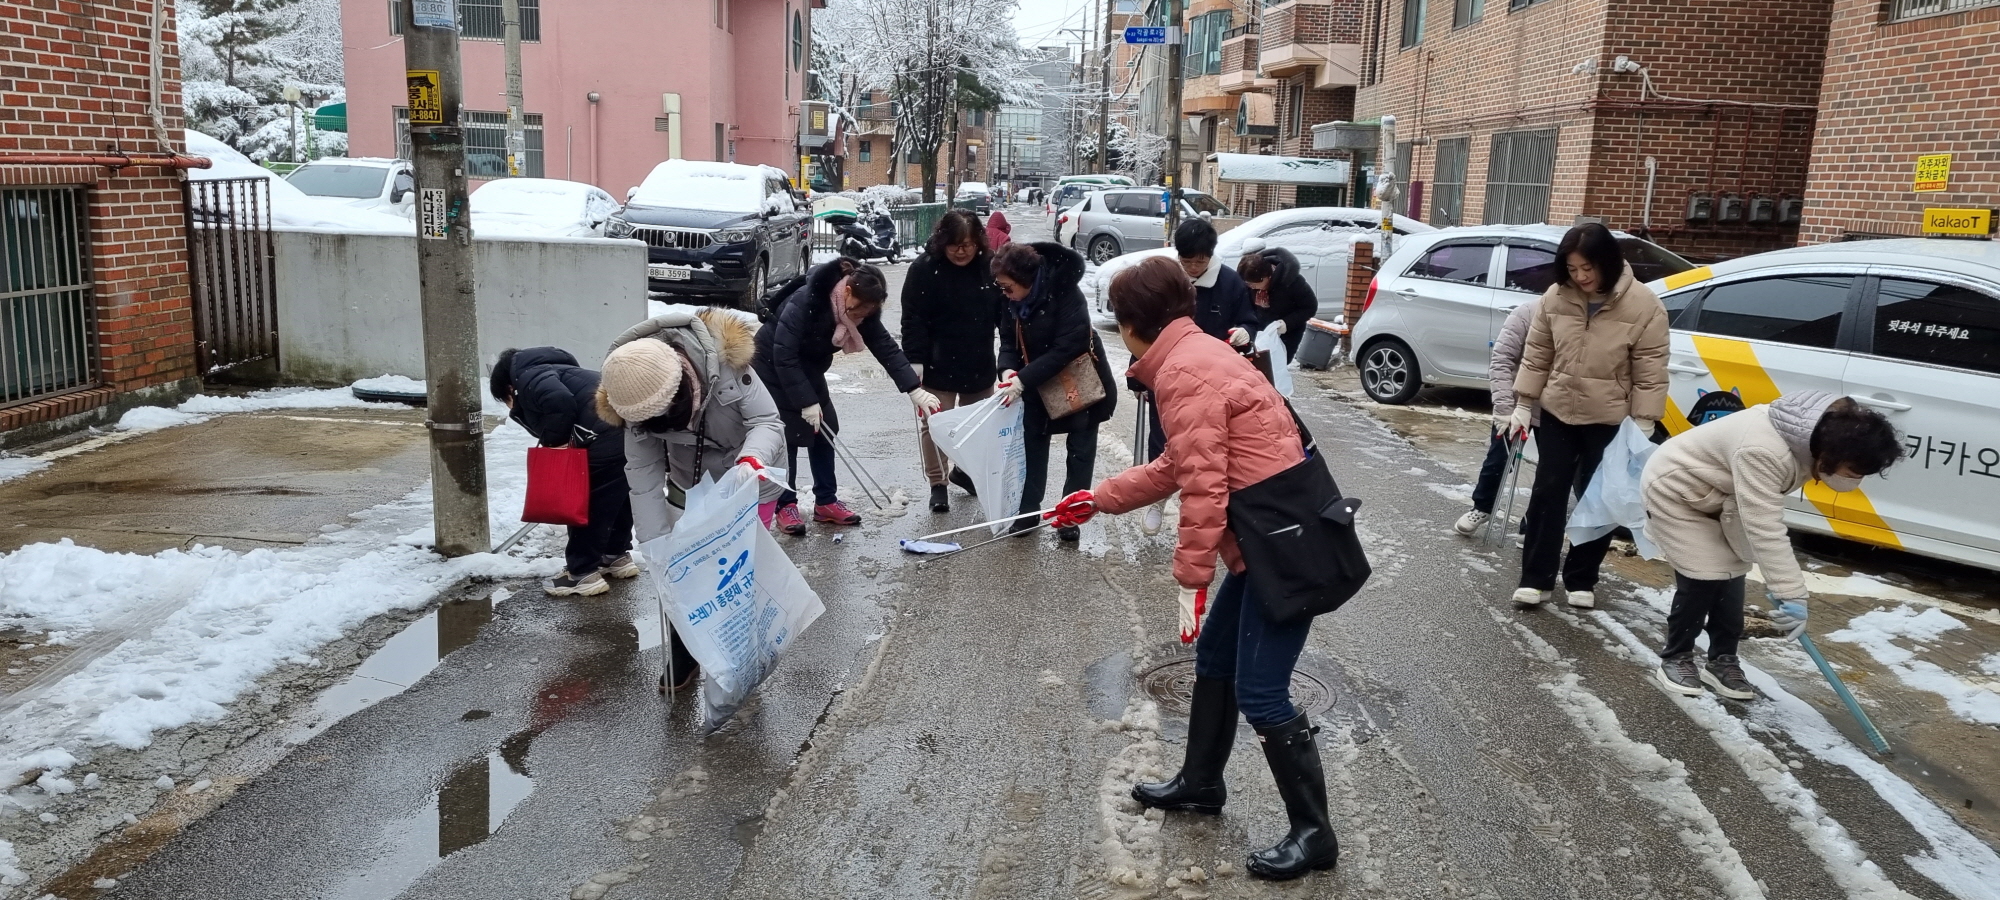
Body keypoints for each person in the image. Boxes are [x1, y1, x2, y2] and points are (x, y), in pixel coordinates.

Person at [1047, 255, 1337, 880]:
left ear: (1130, 324)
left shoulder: (1185, 374)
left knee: (1262, 691)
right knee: (1214, 661)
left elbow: (1204, 489)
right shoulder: (1199, 354)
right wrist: (1097, 500)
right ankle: (1203, 783)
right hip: (1272, 534)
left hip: (1279, 547)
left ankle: (1315, 833)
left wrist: (1190, 579)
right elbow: (1180, 466)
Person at [1644, 392, 1902, 699]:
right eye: (1854, 471)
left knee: (1733, 573)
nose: (1856, 479)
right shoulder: (1764, 449)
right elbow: (1765, 527)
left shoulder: (1817, 438)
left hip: (1725, 496)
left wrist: (1785, 590)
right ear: (1832, 454)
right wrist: (1791, 593)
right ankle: (1676, 657)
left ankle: (1722, 660)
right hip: (1677, 491)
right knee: (1702, 575)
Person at [595, 306, 787, 689]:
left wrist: (752, 458)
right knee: (680, 573)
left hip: (748, 478)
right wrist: (653, 543)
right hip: (690, 483)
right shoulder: (631, 394)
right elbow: (643, 474)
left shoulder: (726, 364)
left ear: (682, 385)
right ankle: (684, 657)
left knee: (739, 574)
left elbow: (767, 421)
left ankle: (743, 654)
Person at [1506, 224, 1669, 610]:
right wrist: (1524, 404)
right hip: (1559, 410)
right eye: (1573, 268)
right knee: (1548, 494)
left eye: (1588, 269)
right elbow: (1537, 354)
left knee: (1599, 499)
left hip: (1610, 418)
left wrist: (1643, 423)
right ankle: (1535, 579)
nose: (1580, 277)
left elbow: (1651, 369)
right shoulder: (1555, 297)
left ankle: (1582, 578)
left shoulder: (1644, 305)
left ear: (1608, 263)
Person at [756, 258, 941, 533]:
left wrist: (914, 389)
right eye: (859, 310)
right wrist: (806, 402)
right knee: (788, 437)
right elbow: (784, 355)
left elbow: (886, 348)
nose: (861, 317)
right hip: (772, 366)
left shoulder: (859, 311)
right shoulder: (808, 302)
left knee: (825, 429)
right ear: (847, 292)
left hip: (809, 369)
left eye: (868, 313)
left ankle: (825, 502)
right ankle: (786, 504)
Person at [992, 240, 1116, 541]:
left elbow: (1068, 347)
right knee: (1032, 445)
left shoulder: (1065, 292)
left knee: (1081, 450)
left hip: (1079, 381)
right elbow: (1008, 341)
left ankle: (1070, 515)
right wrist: (1007, 370)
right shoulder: (1009, 300)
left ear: (1027, 281)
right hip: (1035, 380)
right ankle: (1027, 512)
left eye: (1008, 287)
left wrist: (1023, 379)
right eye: (1002, 287)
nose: (1004, 293)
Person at [490, 347, 634, 598]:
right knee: (617, 500)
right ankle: (616, 556)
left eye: (505, 399)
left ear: (508, 388)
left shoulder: (529, 378)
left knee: (587, 504)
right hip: (628, 437)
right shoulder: (562, 370)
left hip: (601, 438)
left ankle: (581, 574)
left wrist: (556, 443)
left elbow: (559, 401)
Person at [901, 210, 1004, 512]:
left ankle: (963, 470)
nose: (962, 251)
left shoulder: (989, 267)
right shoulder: (924, 270)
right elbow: (913, 318)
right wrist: (915, 360)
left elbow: (1004, 316)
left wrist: (1011, 359)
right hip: (936, 361)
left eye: (969, 244)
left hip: (978, 359)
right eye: (955, 245)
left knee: (977, 426)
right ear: (942, 242)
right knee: (934, 424)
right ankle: (938, 482)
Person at [1453, 298, 1541, 537]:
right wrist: (1504, 408)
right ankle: (1482, 507)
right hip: (1515, 402)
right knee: (1498, 460)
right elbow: (1502, 359)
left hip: (1555, 408)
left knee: (1551, 473)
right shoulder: (1527, 313)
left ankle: (1533, 524)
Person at [1235, 246, 1316, 359]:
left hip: (1287, 332)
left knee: (1278, 363)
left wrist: (1286, 323)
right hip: (1259, 330)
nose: (1251, 287)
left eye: (1253, 284)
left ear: (1266, 277)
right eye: (1248, 284)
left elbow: (1310, 307)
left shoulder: (1291, 281)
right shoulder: (1250, 283)